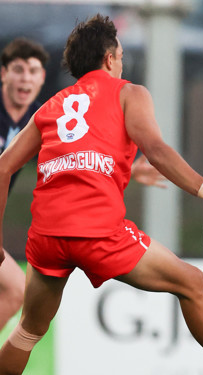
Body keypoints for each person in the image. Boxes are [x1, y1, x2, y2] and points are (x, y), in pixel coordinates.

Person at [0, 14, 203, 375]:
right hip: (97, 232)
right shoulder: (128, 93)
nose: (121, 62)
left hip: (47, 234)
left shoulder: (51, 105)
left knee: (29, 329)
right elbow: (154, 147)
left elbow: (3, 167)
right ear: (109, 58)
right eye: (119, 55)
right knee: (191, 283)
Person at [0, 37, 166, 333]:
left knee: (14, 290)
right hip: (69, 239)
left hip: (59, 237)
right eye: (18, 69)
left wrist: (124, 166)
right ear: (3, 74)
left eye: (34, 71)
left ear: (42, 79)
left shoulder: (42, 115)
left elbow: (77, 154)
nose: (26, 77)